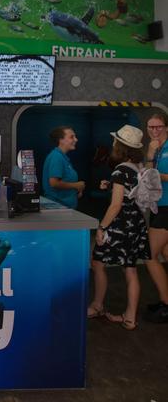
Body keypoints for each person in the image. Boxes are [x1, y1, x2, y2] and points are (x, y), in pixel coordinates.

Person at [87, 125, 150, 330]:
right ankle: (130, 318)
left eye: (115, 141)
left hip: (119, 225)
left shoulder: (120, 170)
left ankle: (97, 306)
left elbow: (115, 205)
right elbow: (129, 193)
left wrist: (101, 228)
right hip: (136, 224)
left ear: (120, 146)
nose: (113, 144)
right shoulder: (138, 167)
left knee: (97, 262)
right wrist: (111, 185)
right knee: (130, 270)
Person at [143, 112, 168, 322]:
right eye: (151, 127)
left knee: (150, 255)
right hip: (158, 205)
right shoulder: (155, 148)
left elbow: (151, 177)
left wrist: (155, 174)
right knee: (166, 253)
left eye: (158, 127)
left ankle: (166, 303)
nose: (154, 131)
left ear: (166, 127)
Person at [42, 126, 85, 208]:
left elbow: (65, 180)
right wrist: (76, 185)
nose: (76, 140)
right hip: (57, 208)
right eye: (72, 137)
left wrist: (75, 191)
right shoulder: (56, 157)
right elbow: (54, 183)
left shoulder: (62, 157)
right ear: (60, 140)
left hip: (64, 207)